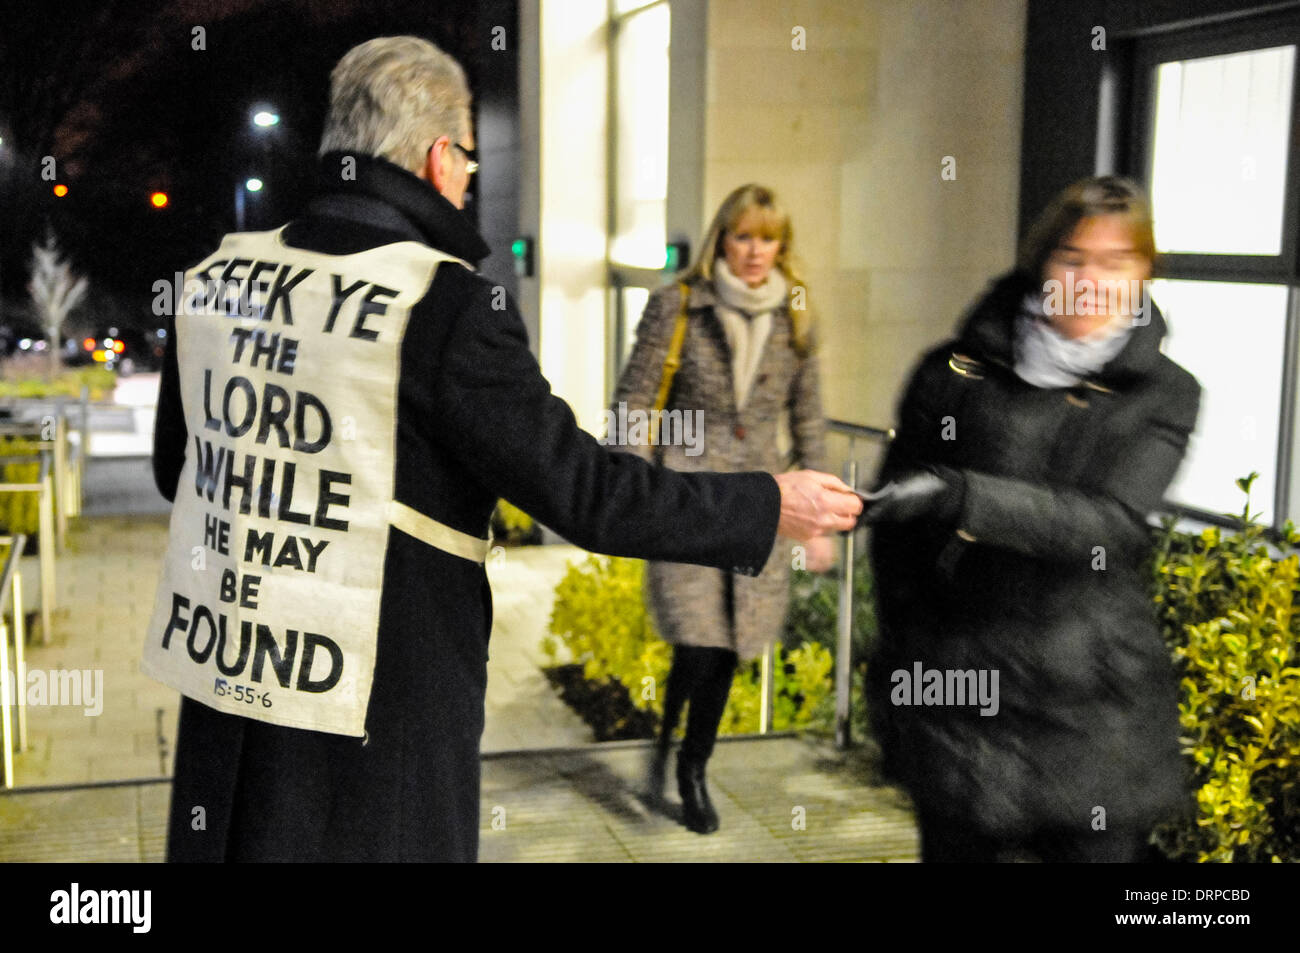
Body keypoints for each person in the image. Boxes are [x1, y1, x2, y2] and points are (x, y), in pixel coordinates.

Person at [146, 36, 861, 863]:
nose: (470, 181)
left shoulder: (218, 279)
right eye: (471, 163)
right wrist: (770, 502)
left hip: (229, 714)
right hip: (376, 728)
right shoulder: (443, 304)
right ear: (439, 157)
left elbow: (180, 471)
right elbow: (586, 491)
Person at [862, 176, 1201, 862]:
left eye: (1116, 262)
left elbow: (1108, 524)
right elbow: (893, 529)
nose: (1090, 281)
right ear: (1041, 262)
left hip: (1093, 719)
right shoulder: (951, 372)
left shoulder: (1165, 393)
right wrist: (911, 646)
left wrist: (963, 496)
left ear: (1146, 274)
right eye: (1073, 257)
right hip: (959, 708)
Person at [610, 184, 832, 834]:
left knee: (728, 647)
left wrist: (818, 518)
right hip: (686, 498)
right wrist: (625, 488)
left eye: (769, 238)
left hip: (762, 504)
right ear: (722, 240)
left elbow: (809, 419)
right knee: (700, 637)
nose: (757, 250)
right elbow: (635, 399)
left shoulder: (797, 311)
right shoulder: (679, 303)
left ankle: (682, 751)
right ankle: (688, 768)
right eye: (744, 236)